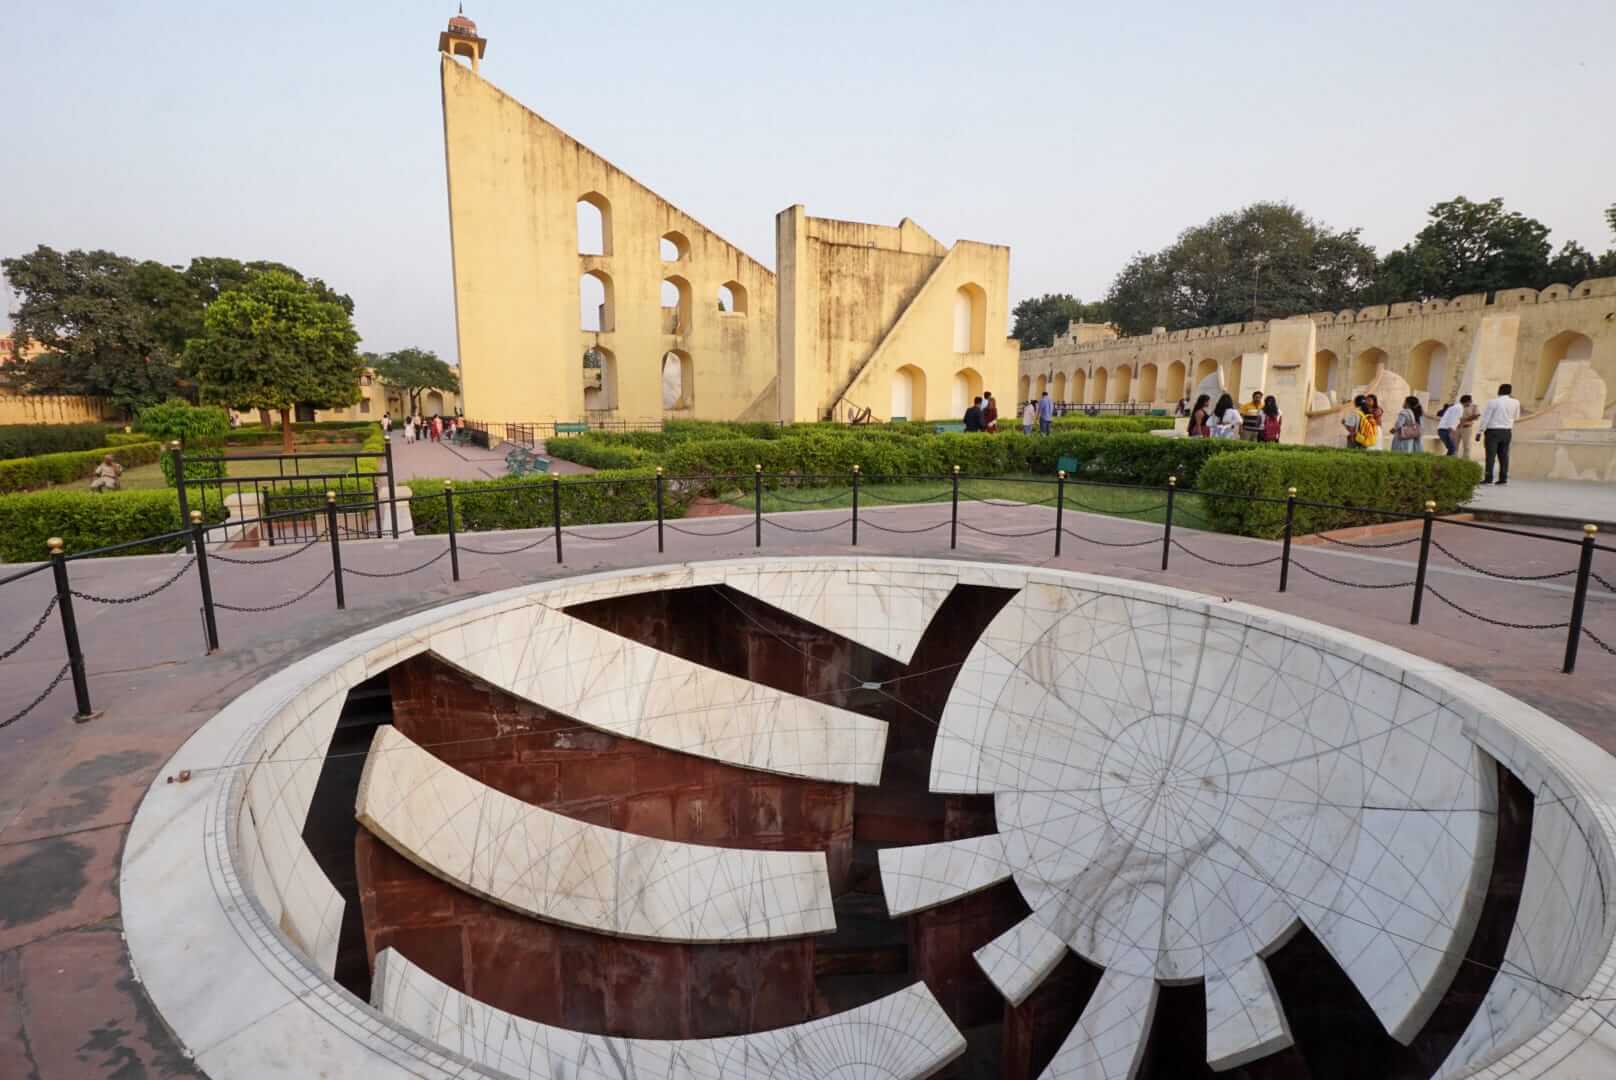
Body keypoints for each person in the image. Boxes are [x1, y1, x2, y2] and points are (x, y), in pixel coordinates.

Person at [1477, 383, 1521, 484]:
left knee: (1490, 456)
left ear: (1499, 391)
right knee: (1504, 456)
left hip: (1493, 431)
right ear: (1510, 392)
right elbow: (1517, 417)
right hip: (1507, 432)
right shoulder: (1516, 402)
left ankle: (1488, 478)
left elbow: (1486, 418)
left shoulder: (1492, 402)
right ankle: (1503, 478)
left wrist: (1480, 431)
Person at [1456, 395, 1480, 459]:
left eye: (1465, 403)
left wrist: (1465, 419)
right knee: (1454, 445)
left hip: (1467, 428)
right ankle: (1453, 460)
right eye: (1462, 403)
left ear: (1469, 401)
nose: (1464, 404)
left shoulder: (1474, 407)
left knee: (1466, 445)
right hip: (1456, 428)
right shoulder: (1458, 406)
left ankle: (1466, 461)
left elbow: (1476, 416)